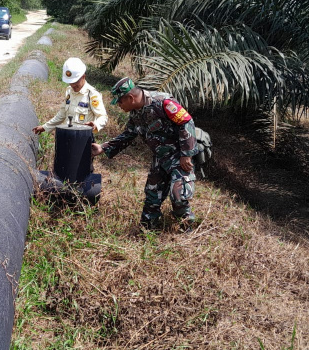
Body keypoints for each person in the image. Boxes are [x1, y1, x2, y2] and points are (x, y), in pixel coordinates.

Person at [90, 77, 198, 230]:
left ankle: (187, 227)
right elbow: (128, 135)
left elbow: (186, 122)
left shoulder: (163, 103)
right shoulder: (135, 114)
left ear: (131, 98)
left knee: (179, 195)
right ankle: (148, 230)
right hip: (160, 159)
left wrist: (186, 154)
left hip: (178, 157)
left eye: (120, 102)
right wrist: (103, 148)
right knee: (152, 195)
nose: (119, 106)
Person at [32, 57, 108, 134]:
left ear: (83, 77)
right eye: (70, 82)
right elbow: (62, 114)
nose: (73, 85)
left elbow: (103, 116)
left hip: (83, 139)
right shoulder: (69, 92)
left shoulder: (92, 94)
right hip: (67, 136)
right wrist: (44, 127)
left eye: (75, 82)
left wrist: (96, 124)